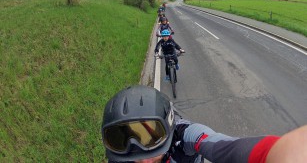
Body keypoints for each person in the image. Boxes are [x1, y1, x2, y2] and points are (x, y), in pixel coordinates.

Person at [101, 85, 307, 163]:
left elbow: (222, 146)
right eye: (122, 140)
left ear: (170, 127)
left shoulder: (185, 135)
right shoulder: (122, 158)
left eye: (151, 137)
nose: (143, 160)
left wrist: (267, 154)